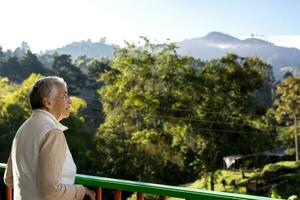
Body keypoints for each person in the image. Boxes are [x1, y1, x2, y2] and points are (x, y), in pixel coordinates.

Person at [3, 76, 95, 200]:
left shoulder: (23, 128)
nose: (70, 101)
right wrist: (81, 191)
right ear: (47, 102)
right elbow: (51, 192)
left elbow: (9, 179)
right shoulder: (53, 132)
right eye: (64, 95)